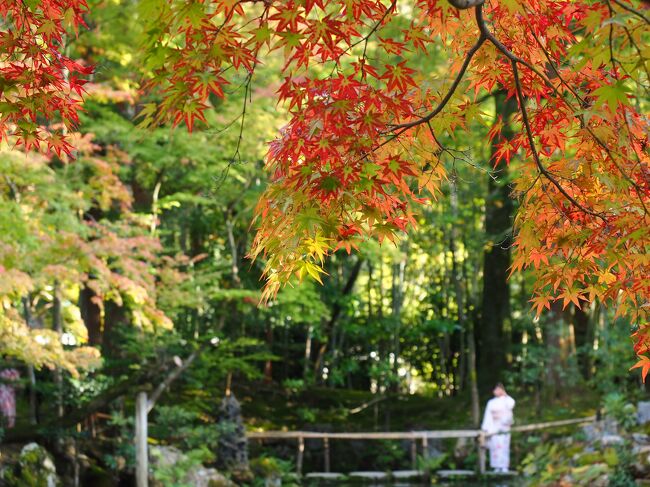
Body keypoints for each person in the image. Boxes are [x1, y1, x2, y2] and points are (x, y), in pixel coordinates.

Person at [481, 382, 515, 473]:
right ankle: (496, 466)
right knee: (494, 447)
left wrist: (505, 395)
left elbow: (511, 404)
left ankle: (504, 466)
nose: (497, 391)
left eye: (499, 389)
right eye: (495, 389)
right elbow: (487, 415)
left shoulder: (507, 400)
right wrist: (485, 428)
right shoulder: (491, 402)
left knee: (504, 446)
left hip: (504, 426)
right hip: (494, 426)